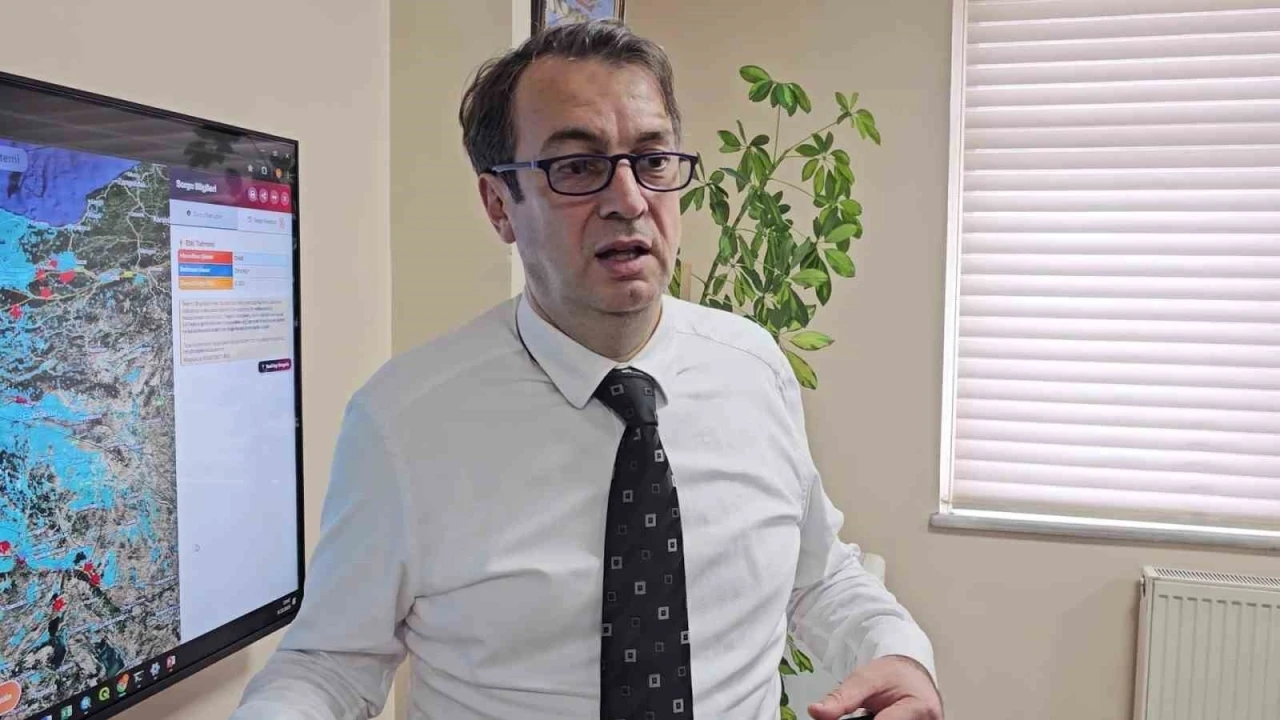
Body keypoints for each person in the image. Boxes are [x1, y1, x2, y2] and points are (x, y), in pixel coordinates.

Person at [230, 19, 943, 720]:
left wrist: (897, 652)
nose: (629, 201)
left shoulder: (755, 369)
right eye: (576, 167)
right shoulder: (404, 419)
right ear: (498, 205)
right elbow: (332, 662)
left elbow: (818, 576)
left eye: (653, 161)